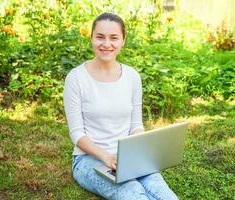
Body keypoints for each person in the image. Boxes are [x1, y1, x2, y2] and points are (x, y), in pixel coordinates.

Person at [64, 12, 178, 200]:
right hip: (88, 160)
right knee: (134, 193)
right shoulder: (76, 78)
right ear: (91, 38)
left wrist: (140, 152)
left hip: (128, 159)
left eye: (114, 38)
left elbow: (135, 126)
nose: (106, 44)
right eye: (100, 37)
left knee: (166, 195)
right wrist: (106, 157)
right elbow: (77, 134)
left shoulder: (132, 77)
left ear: (123, 41)